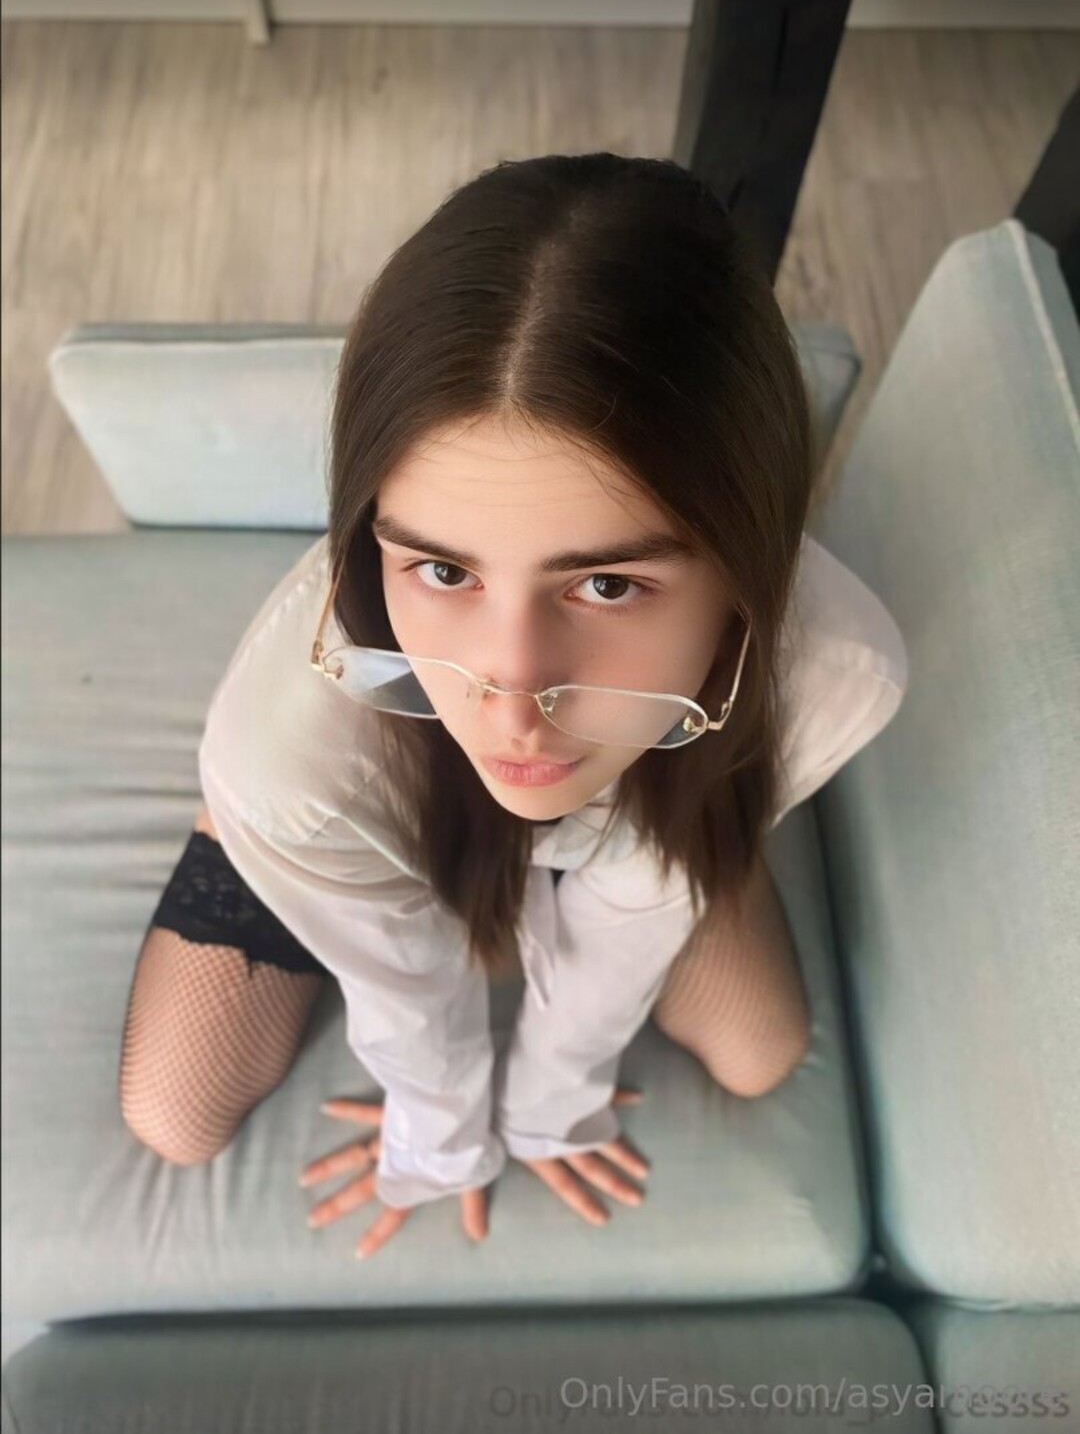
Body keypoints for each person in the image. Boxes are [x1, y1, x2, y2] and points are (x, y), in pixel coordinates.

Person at [117, 152, 908, 1261]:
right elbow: (403, 983)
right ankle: (261, 837)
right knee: (174, 1110)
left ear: (748, 566)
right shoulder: (297, 754)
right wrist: (440, 1136)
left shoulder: (836, 672)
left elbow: (636, 918)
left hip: (661, 793)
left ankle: (679, 798)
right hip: (346, 807)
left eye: (608, 585)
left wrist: (550, 1100)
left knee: (760, 1051)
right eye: (443, 570)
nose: (512, 702)